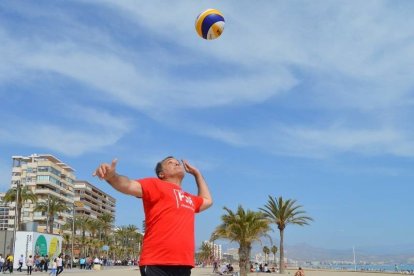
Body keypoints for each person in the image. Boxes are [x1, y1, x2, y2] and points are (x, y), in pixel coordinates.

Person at [93, 156, 213, 276]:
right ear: (161, 174)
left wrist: (197, 174)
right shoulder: (155, 184)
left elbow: (207, 200)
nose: (177, 164)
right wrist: (112, 177)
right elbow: (128, 185)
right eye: (170, 163)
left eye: (178, 163)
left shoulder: (189, 198)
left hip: (183, 264)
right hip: (156, 262)